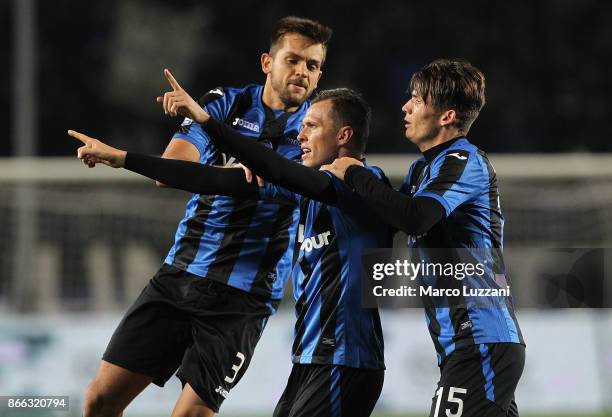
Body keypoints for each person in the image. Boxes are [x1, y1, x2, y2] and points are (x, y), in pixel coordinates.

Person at [69, 86, 389, 417]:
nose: (301, 135)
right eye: (303, 125)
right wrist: (123, 159)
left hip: (344, 356)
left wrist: (207, 121)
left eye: (312, 126)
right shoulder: (302, 191)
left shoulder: (359, 183)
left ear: (343, 134)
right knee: (99, 399)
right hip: (310, 355)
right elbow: (209, 179)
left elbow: (281, 170)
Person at [80, 16, 332, 417]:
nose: (302, 72)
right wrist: (229, 170)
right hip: (180, 274)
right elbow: (174, 169)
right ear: (268, 62)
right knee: (99, 400)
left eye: (313, 66)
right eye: (294, 60)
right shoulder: (225, 102)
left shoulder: (316, 132)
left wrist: (223, 171)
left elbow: (248, 183)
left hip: (242, 298)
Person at [325, 59, 525, 417]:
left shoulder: (465, 160)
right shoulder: (422, 170)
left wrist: (355, 173)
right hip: (461, 344)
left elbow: (415, 218)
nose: (406, 106)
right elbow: (386, 217)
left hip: (480, 337)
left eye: (416, 99)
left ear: (447, 116)